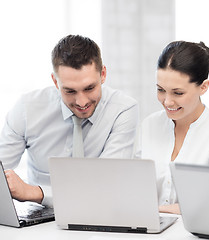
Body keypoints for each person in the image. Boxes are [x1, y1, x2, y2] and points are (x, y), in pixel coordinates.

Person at [2, 35, 139, 207]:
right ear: (55, 81)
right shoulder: (27, 109)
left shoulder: (123, 110)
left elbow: (106, 185)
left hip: (101, 214)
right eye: (70, 91)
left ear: (103, 74)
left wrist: (33, 192)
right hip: (39, 222)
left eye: (89, 88)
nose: (82, 102)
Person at [134, 41, 209, 214]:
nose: (167, 101)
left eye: (178, 93)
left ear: (203, 87)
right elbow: (133, 187)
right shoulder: (149, 125)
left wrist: (162, 210)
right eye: (161, 90)